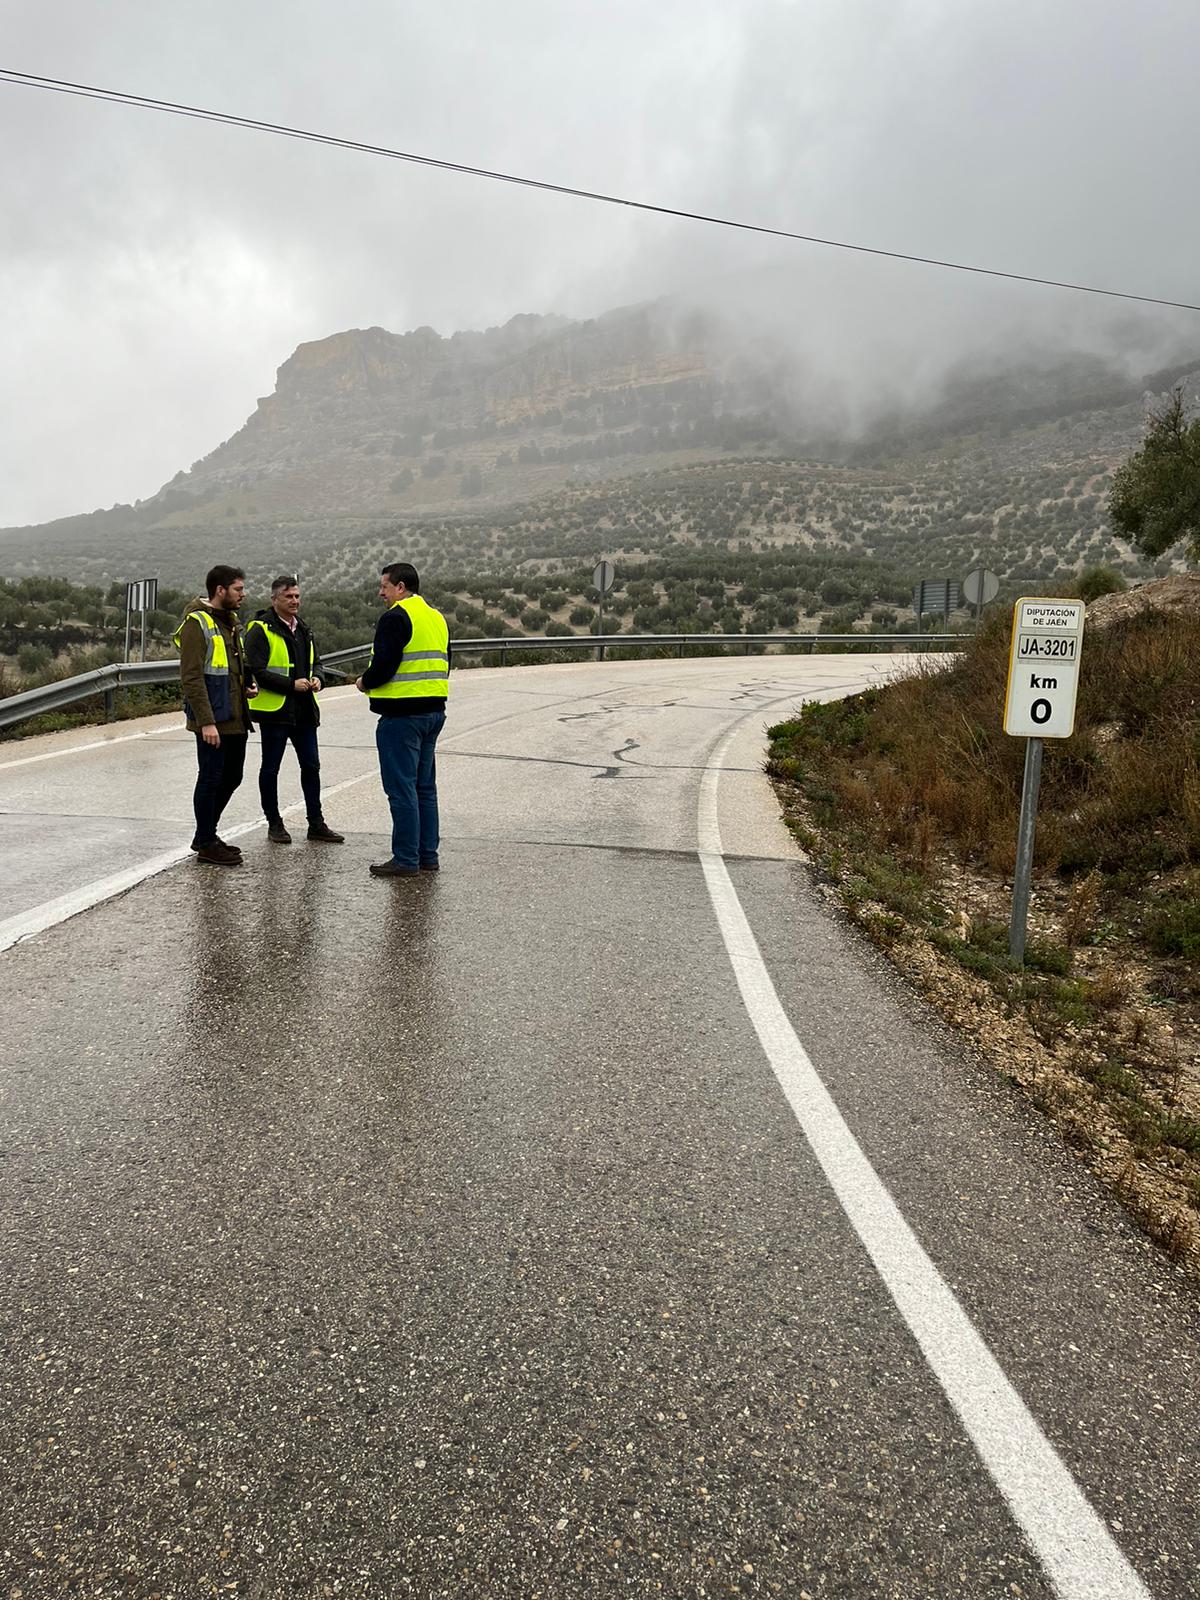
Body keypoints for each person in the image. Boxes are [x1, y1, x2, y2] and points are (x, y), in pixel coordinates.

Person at [355, 562, 449, 877]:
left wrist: (364, 682)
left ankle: (406, 859)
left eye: (384, 586)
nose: (380, 592)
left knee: (401, 789)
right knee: (425, 788)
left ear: (400, 587)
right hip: (434, 712)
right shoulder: (436, 617)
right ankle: (427, 856)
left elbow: (384, 666)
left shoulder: (395, 617)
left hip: (401, 716)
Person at [244, 576, 344, 846]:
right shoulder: (260, 629)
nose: (295, 601)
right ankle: (274, 823)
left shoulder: (304, 629)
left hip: (304, 711)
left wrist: (318, 679)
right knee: (271, 768)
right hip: (275, 712)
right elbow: (256, 670)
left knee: (311, 766)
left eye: (297, 596)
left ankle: (316, 823)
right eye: (289, 597)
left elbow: (317, 663)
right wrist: (291, 685)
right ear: (274, 599)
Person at [175, 564, 255, 867]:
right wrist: (206, 721)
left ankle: (206, 832)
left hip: (234, 714)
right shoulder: (197, 622)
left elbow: (230, 664)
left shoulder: (230, 621)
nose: (243, 595)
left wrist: (247, 683)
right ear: (220, 590)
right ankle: (206, 842)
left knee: (233, 776)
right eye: (238, 589)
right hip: (212, 717)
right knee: (210, 778)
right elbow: (192, 676)